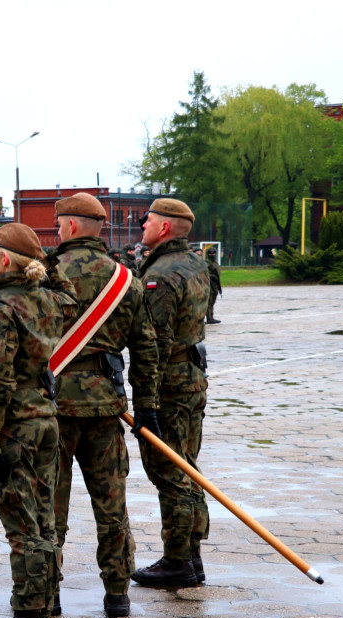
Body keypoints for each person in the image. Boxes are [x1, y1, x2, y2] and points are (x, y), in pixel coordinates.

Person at [47, 193, 159, 618]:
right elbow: (146, 348)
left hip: (52, 409)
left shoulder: (46, 275)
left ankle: (47, 594)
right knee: (112, 507)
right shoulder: (125, 279)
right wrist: (146, 407)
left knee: (47, 509)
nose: (57, 231)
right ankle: (117, 594)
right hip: (106, 409)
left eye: (59, 224)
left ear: (72, 227)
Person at [0, 223, 75, 618]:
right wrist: (45, 261)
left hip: (15, 425)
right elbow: (71, 297)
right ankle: (43, 607)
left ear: (5, 260)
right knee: (45, 521)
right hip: (46, 421)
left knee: (24, 528)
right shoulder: (49, 299)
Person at [132, 198, 211, 587]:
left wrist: (145, 401)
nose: (142, 224)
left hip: (170, 385)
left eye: (147, 220)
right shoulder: (197, 263)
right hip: (193, 375)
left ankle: (178, 559)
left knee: (171, 471)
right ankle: (191, 554)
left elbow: (155, 343)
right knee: (187, 466)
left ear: (164, 228)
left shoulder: (160, 275)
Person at [205, 248, 222, 324]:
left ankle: (211, 317)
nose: (212, 255)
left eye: (213, 254)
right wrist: (211, 277)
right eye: (210, 254)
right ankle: (209, 318)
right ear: (208, 255)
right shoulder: (206, 263)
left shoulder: (216, 263)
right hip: (209, 285)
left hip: (215, 285)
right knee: (209, 302)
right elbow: (205, 274)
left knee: (212, 302)